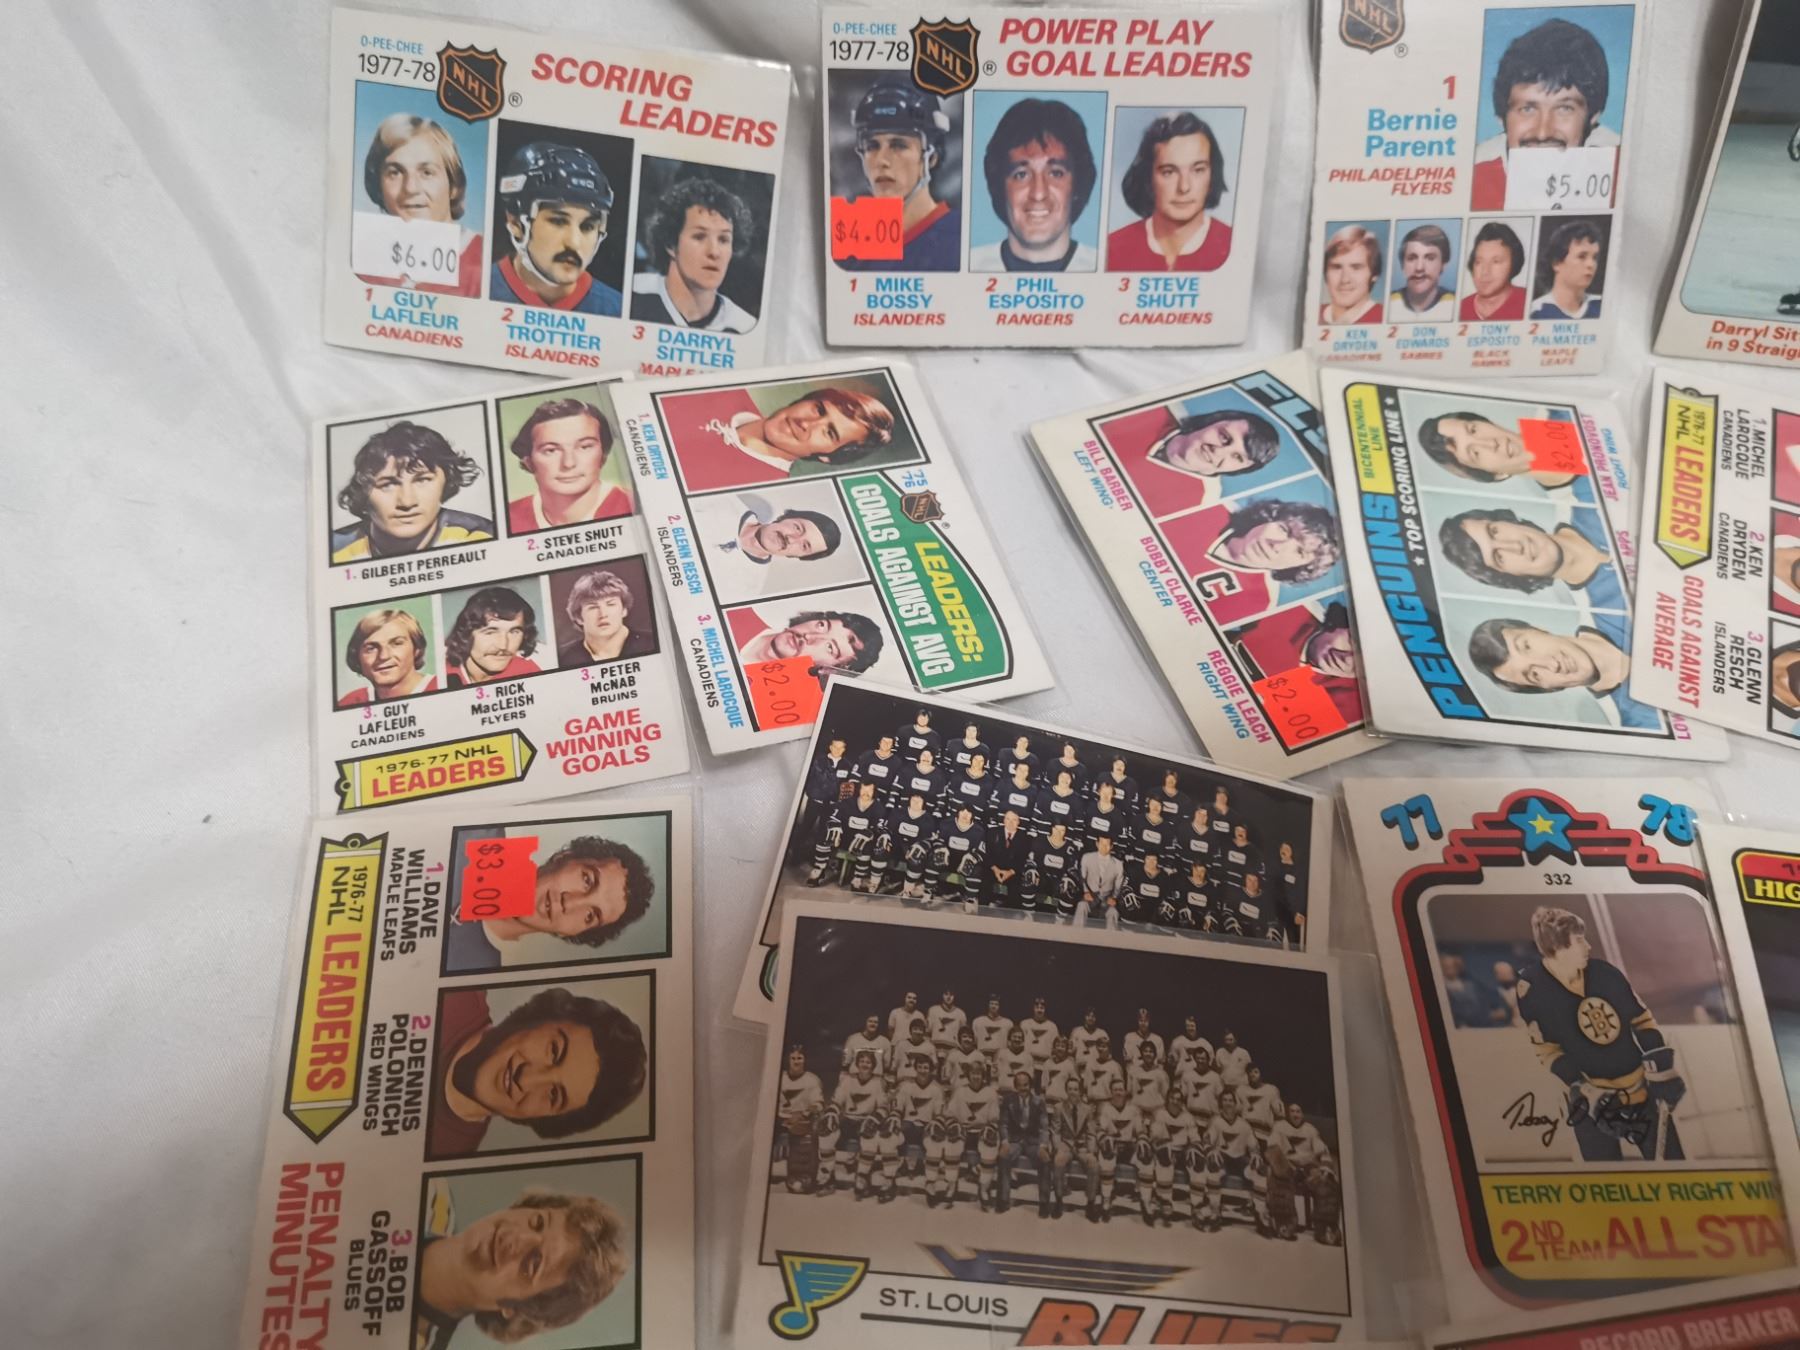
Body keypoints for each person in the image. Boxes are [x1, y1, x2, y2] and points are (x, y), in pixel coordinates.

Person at [1516, 906, 1686, 1160]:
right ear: (1558, 946)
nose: (1588, 946)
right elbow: (1548, 1050)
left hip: (1640, 1090)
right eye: (1579, 940)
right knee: (1606, 1176)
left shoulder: (1605, 973)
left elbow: (1642, 1021)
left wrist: (1661, 1069)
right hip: (1591, 1104)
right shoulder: (1533, 988)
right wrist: (1585, 1091)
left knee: (1674, 1167)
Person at [428, 986, 647, 1157]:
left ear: (544, 1120)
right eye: (554, 1051)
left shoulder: (452, 1153)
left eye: (554, 1095)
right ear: (536, 1018)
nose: (527, 1079)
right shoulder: (457, 995)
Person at [413, 1181, 628, 1349]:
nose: (517, 1239)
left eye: (533, 1263)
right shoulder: (431, 1190)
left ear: (514, 1309)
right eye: (537, 1222)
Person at [444, 835, 655, 972]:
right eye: (587, 880)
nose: (570, 903)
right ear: (564, 856)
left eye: (591, 915)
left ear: (574, 934)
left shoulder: (481, 970)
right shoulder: (476, 838)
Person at [1471, 18, 1617, 212]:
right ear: (1501, 117)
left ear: (1593, 116)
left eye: (1564, 109)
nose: (1543, 132)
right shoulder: (1471, 175)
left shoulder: (1620, 169)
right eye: (1527, 109)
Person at [358, 113, 483, 298]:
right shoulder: (363, 259)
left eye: (426, 172)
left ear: (454, 186)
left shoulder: (486, 260)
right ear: (378, 186)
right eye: (395, 173)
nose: (410, 188)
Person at [332, 421, 492, 562]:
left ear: (447, 483)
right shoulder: (332, 552)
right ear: (363, 494)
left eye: (422, 480)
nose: (407, 502)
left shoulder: (482, 538)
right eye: (388, 484)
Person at [490, 142, 621, 315]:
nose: (574, 243)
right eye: (558, 222)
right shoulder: (475, 287)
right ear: (515, 223)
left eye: (587, 226)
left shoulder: (616, 308)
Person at [841, 81, 960, 271]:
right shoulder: (851, 238)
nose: (881, 160)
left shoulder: (959, 239)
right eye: (872, 146)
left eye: (898, 145)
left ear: (931, 158)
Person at [971, 97, 1098, 272]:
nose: (1038, 193)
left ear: (1077, 185)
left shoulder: (1106, 268)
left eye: (1055, 173)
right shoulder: (968, 265)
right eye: (1021, 175)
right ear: (1001, 187)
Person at [1469, 614, 1659, 729]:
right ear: (1548, 689)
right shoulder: (1637, 722)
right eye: (1534, 675)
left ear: (1538, 629)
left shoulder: (1609, 600)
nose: (1552, 665)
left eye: (1527, 646)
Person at [1105, 112, 1233, 272]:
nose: (1184, 187)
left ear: (1212, 175)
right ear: (1148, 178)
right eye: (1169, 172)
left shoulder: (1234, 245)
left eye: (1198, 170)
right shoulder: (1111, 249)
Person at [629, 175, 756, 331]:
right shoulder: (631, 293)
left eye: (723, 239)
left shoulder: (744, 326)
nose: (714, 252)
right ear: (671, 244)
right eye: (699, 237)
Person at [1439, 507, 1624, 613]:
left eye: (1494, 531)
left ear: (1505, 520)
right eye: (1499, 557)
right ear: (1509, 576)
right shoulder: (1600, 615)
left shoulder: (1585, 501)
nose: (1515, 546)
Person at [700, 385, 897, 479]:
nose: (806, 423)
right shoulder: (725, 391)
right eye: (819, 410)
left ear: (827, 457)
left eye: (829, 433)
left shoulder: (761, 485)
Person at [506, 397, 632, 532]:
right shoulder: (507, 519)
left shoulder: (635, 505)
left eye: (584, 447)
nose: (568, 463)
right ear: (529, 462)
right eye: (551, 450)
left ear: (603, 456)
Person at [1417, 412, 1587, 492]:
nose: (1490, 443)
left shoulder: (1559, 411)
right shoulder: (1572, 503)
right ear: (1496, 475)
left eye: (1473, 430)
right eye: (1475, 453)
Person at [1207, 499, 1342, 584]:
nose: (1277, 547)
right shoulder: (1213, 510)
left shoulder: (1261, 604)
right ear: (1268, 518)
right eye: (1284, 530)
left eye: (1300, 552)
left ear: (1301, 568)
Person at [735, 609, 884, 683]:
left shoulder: (765, 702)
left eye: (830, 648)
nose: (809, 637)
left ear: (828, 670)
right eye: (822, 625)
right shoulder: (737, 614)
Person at [1147, 408, 1281, 484]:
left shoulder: (1202, 502)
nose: (1219, 452)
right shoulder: (1155, 412)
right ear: (1211, 422)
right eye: (1224, 437)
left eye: (1238, 457)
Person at [445, 587, 543, 687]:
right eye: (490, 632)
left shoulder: (529, 673)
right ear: (465, 635)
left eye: (514, 632)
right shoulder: (441, 680)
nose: (503, 645)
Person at [556, 569, 655, 668]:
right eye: (593, 607)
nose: (603, 614)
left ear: (624, 610)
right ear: (579, 617)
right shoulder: (561, 658)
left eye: (611, 604)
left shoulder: (652, 643)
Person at [338, 609, 435, 707]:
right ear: (357, 657)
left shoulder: (439, 686)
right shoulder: (350, 702)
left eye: (396, 643)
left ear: (416, 649)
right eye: (371, 648)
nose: (384, 656)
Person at [717, 505, 842, 568]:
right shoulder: (728, 506)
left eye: (804, 546)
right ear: (787, 518)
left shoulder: (751, 584)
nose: (791, 539)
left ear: (800, 556)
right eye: (797, 528)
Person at [1530, 219, 1604, 319]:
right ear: (1556, 263)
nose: (1591, 264)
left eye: (1594, 257)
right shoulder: (1535, 312)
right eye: (1582, 256)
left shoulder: (1603, 306)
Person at [1458, 221, 1528, 322]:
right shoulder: (1460, 308)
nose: (1485, 272)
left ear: (1514, 263)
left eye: (1496, 261)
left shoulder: (1528, 302)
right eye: (1478, 262)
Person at [1388, 224, 1455, 321]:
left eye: (1430, 258)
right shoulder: (1387, 303)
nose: (1419, 267)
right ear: (1402, 265)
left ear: (1443, 265)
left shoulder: (1457, 304)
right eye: (1412, 258)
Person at [1318, 224, 1383, 324]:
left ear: (1374, 274)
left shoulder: (1382, 317)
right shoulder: (1314, 314)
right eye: (1336, 267)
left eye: (1356, 268)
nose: (1345, 279)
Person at [1441, 953, 1509, 1029]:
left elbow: (1488, 998)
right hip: (1463, 1027)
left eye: (1454, 965)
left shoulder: (1470, 985)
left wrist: (1496, 1012)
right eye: (1447, 966)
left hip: (1484, 1024)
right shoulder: (1443, 989)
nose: (1451, 968)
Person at [1075, 833, 1124, 926]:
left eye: (1107, 844)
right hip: (1090, 896)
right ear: (1097, 844)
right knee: (1081, 906)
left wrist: (1114, 898)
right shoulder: (1087, 857)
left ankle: (1111, 935)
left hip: (1107, 899)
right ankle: (1076, 932)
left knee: (1113, 912)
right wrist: (1086, 892)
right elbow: (1082, 878)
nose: (1104, 847)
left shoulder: (1118, 864)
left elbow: (1118, 885)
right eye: (1101, 844)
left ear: (1111, 846)